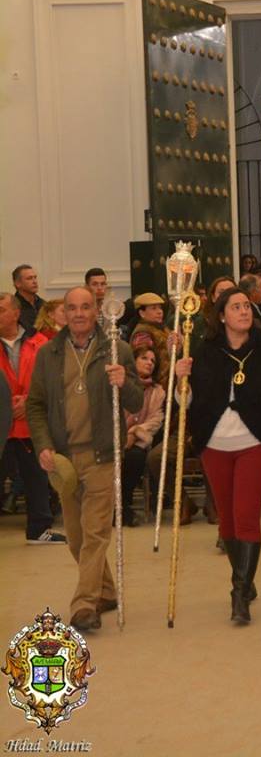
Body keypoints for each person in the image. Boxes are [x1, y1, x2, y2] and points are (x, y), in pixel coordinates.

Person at [176, 287, 261, 625]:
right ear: (222, 315)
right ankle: (244, 576)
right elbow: (186, 405)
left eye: (247, 306)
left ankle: (239, 592)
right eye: (236, 307)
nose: (244, 311)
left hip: (254, 444)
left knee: (245, 515)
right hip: (214, 445)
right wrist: (180, 380)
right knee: (227, 519)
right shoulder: (204, 352)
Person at [27, 286, 143, 631]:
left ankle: (83, 605)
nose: (79, 313)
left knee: (95, 534)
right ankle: (105, 591)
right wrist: (43, 444)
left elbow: (137, 402)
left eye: (86, 307)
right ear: (63, 313)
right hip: (64, 461)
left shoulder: (117, 349)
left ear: (97, 311)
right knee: (76, 539)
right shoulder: (49, 354)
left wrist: (123, 382)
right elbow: (35, 405)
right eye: (72, 308)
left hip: (102, 456)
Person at [0, 293, 65, 544]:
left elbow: (54, 380)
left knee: (37, 477)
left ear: (16, 313)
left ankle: (39, 529)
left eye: (1, 310)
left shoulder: (40, 343)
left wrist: (28, 401)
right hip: (2, 425)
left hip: (30, 423)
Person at [122, 346, 165, 527]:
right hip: (114, 437)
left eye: (153, 361)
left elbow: (156, 419)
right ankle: (116, 507)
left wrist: (134, 432)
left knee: (135, 457)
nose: (149, 363)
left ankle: (122, 506)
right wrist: (122, 436)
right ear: (133, 361)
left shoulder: (158, 391)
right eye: (144, 358)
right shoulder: (121, 383)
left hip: (139, 440)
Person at [12, 265, 46, 331]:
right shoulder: (12, 307)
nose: (35, 281)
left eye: (35, 277)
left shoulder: (44, 304)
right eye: (29, 278)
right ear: (18, 283)